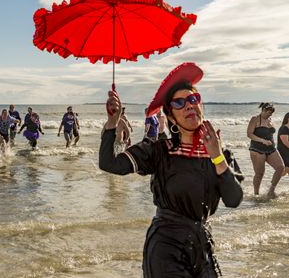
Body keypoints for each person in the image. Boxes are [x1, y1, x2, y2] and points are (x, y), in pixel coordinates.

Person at [99, 62, 243, 277]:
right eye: (180, 102)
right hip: (166, 247)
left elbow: (233, 200)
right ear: (171, 117)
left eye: (194, 99)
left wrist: (217, 156)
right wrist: (113, 121)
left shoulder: (221, 154)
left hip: (201, 245)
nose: (189, 105)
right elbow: (109, 163)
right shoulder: (159, 151)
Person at [247, 102, 285, 198]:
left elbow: (271, 133)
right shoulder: (255, 119)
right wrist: (262, 140)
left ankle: (271, 190)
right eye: (268, 112)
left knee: (280, 167)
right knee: (259, 173)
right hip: (257, 149)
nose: (270, 114)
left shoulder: (269, 120)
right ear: (263, 110)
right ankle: (256, 194)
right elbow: (249, 134)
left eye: (271, 113)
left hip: (271, 149)